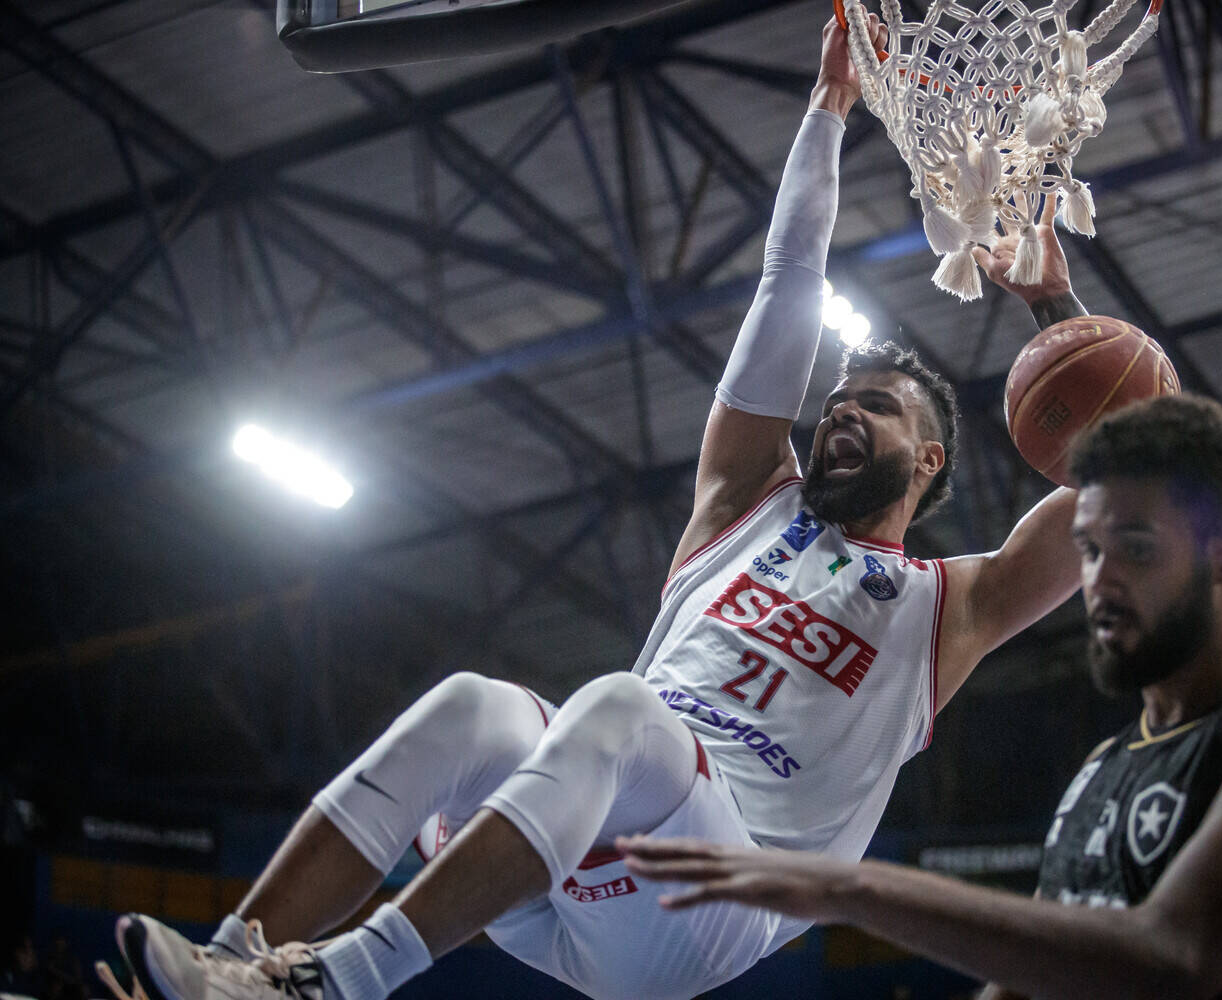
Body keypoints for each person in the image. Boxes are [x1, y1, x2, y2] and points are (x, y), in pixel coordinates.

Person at [104, 15, 1090, 1000]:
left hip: (714, 903)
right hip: (581, 856)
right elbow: (790, 280)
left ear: (926, 461)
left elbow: (1128, 480)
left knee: (623, 706)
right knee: (473, 705)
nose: (841, 411)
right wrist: (827, 106)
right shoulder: (746, 497)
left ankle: (338, 981)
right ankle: (228, 967)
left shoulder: (950, 605)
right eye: (838, 400)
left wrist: (1057, 310)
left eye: (874, 408)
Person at [620, 393, 1222, 999]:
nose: (1101, 580)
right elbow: (1040, 981)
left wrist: (848, 887)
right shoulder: (1102, 775)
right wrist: (1052, 315)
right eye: (1088, 550)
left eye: (1134, 548)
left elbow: (1175, 961)